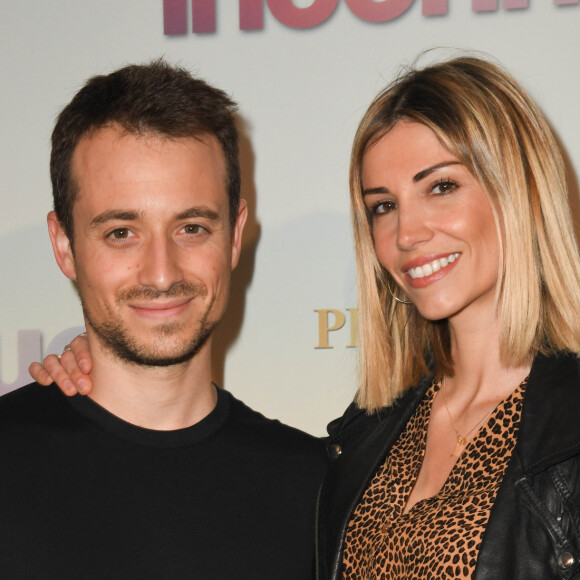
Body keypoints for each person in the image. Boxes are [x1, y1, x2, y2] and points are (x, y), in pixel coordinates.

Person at [31, 55, 580, 578]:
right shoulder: (363, 441)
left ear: (523, 191)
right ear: (65, 245)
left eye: (441, 186)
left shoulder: (563, 432)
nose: (407, 235)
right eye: (383, 206)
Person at [4, 60, 326, 579]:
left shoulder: (315, 488)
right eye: (121, 233)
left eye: (192, 227)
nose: (160, 273)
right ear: (64, 245)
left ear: (236, 235)